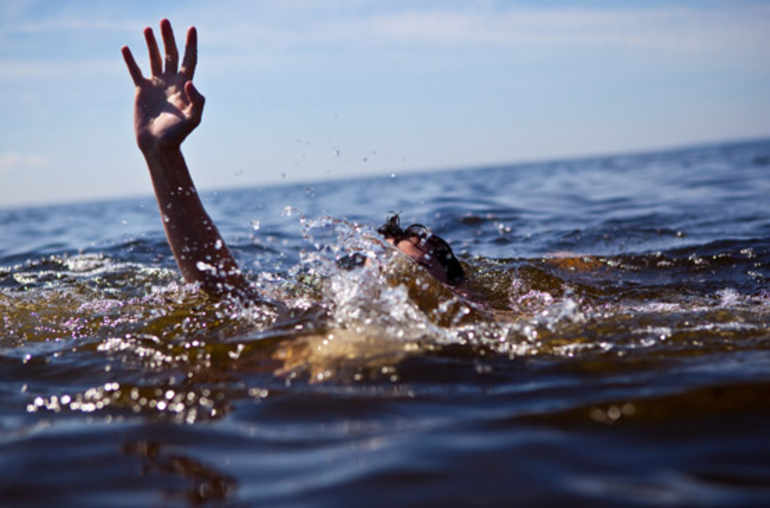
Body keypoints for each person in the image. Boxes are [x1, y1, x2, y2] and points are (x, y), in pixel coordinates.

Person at [121, 19, 464, 300]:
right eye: (383, 266)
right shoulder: (323, 318)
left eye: (414, 268)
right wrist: (162, 155)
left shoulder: (469, 325)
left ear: (457, 288)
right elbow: (226, 295)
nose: (392, 275)